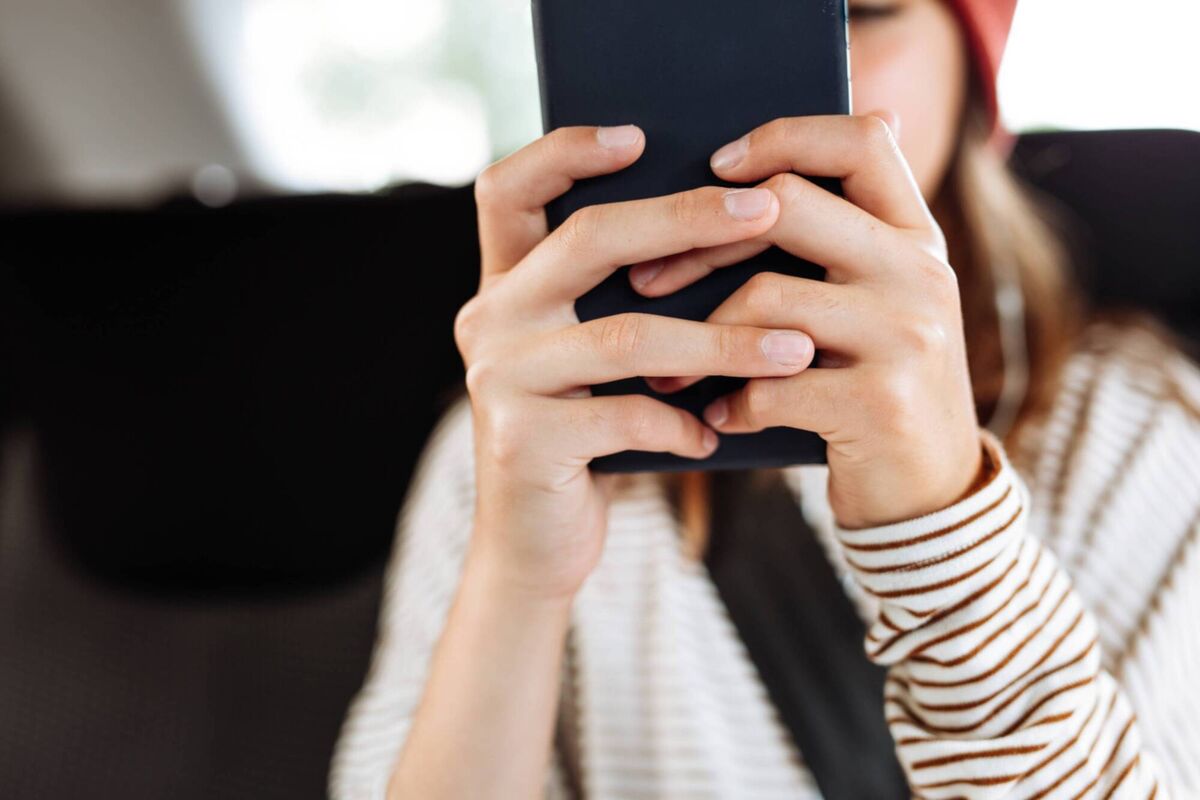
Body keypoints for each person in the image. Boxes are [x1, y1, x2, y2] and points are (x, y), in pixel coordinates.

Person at [328, 0, 1200, 797]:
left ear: (975, 82)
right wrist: (518, 577)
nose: (781, 99)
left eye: (861, 11)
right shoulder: (510, 441)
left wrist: (941, 525)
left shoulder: (1136, 435)